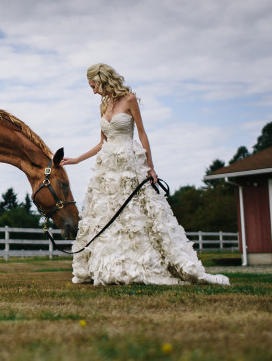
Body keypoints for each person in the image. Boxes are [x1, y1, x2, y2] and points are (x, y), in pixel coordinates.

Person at [61, 63, 230, 286]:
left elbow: (142, 134)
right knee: (106, 216)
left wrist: (150, 167)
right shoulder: (103, 108)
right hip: (107, 170)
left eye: (93, 86)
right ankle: (112, 266)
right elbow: (102, 143)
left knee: (135, 216)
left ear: (103, 80)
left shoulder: (129, 100)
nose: (93, 91)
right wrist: (76, 159)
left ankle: (143, 264)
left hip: (129, 165)